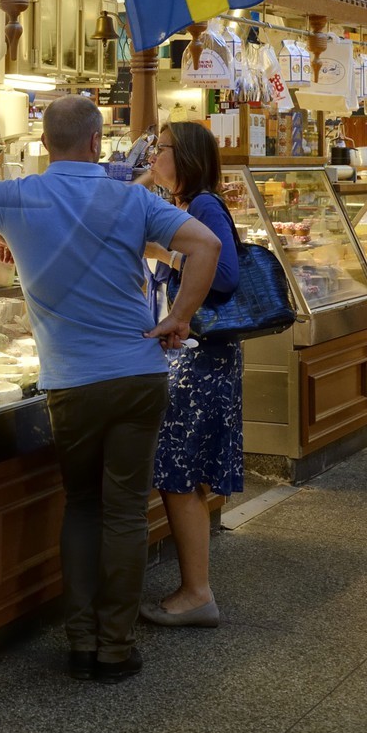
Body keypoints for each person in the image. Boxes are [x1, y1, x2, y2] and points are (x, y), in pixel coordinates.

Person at [0, 95, 221, 685]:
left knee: (82, 505)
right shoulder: (132, 197)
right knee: (126, 510)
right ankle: (116, 646)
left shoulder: (20, 194)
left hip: (71, 384)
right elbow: (204, 245)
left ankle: (80, 643)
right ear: (93, 142)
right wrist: (179, 317)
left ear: (48, 143)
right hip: (138, 375)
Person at [138, 121, 241, 628]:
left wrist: (166, 253)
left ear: (188, 158)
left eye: (161, 150)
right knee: (185, 477)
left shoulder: (202, 206)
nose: (155, 156)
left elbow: (223, 273)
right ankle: (195, 588)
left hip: (199, 360)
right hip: (193, 357)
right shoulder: (181, 205)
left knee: (179, 476)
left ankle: (196, 593)